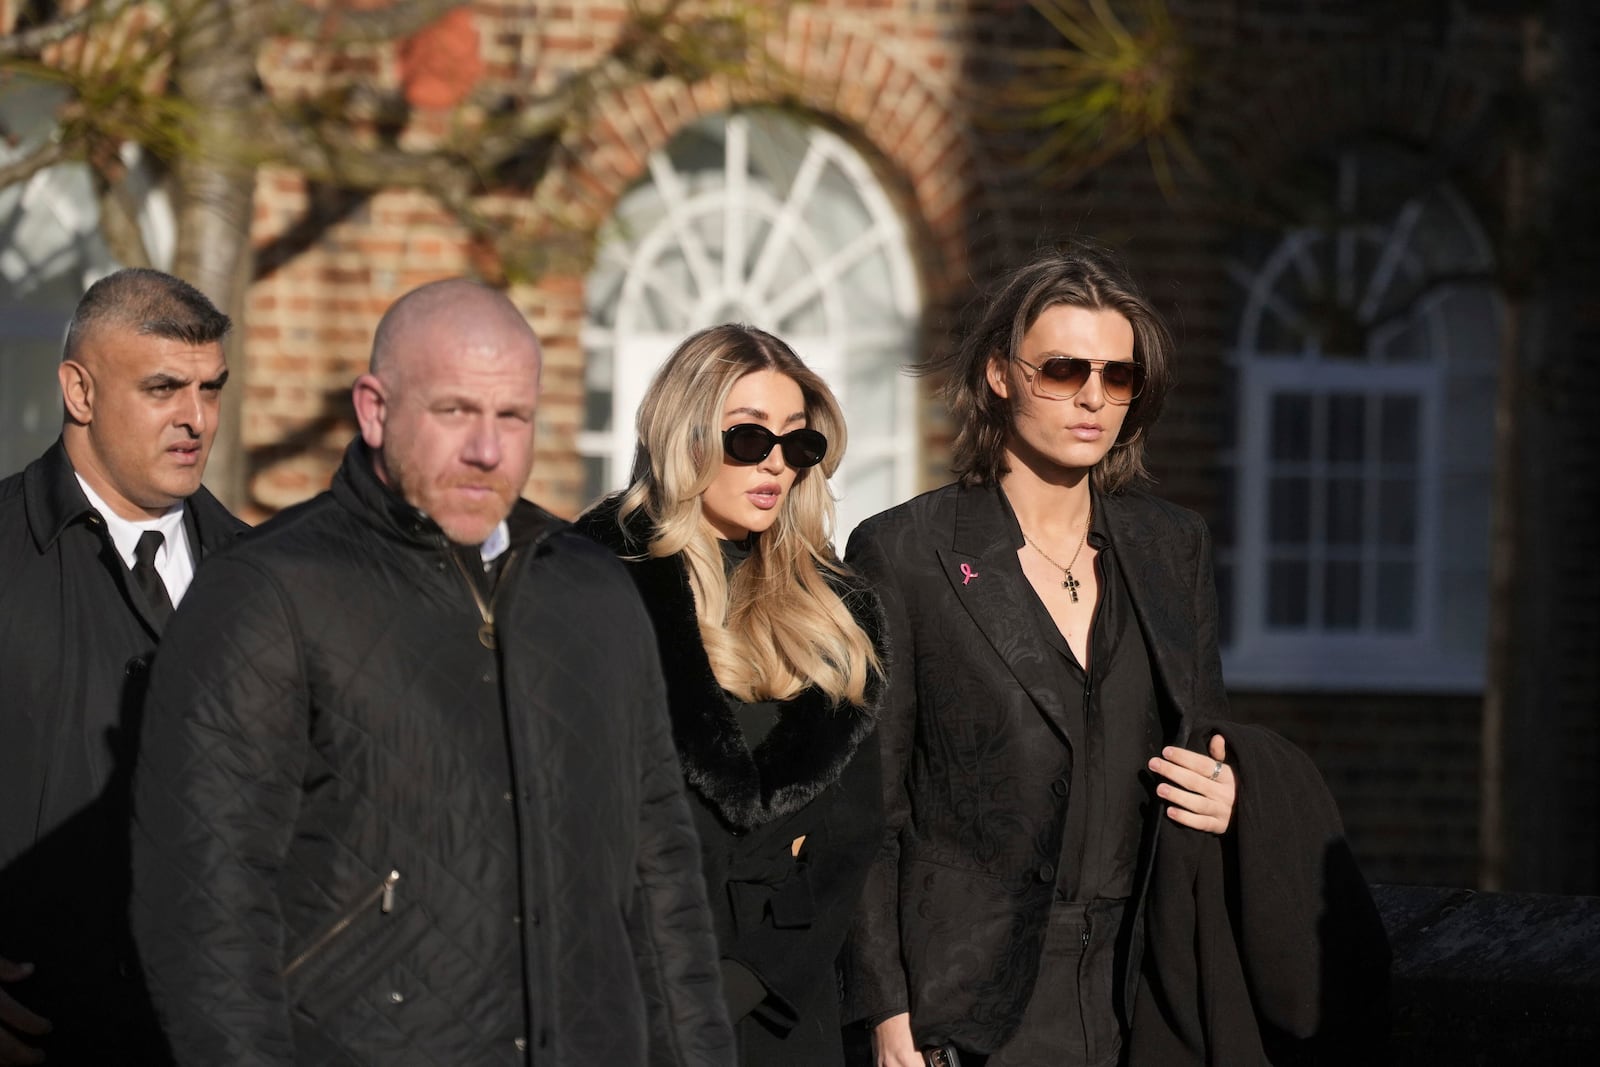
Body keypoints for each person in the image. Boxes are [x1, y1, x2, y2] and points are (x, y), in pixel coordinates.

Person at [129, 278, 734, 1066]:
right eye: (455, 411)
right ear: (375, 409)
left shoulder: (596, 594)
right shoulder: (266, 595)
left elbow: (663, 888)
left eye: (512, 416)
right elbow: (206, 911)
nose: (487, 448)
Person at [842, 245, 1389, 1066]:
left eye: (1118, 376)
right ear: (1000, 373)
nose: (1094, 397)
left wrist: (1236, 790)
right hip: (968, 1009)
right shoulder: (905, 551)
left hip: (1148, 993)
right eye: (1063, 370)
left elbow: (1204, 741)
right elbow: (869, 812)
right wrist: (889, 1019)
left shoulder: (1172, 547)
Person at [575, 324, 887, 1065]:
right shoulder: (590, 579)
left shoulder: (837, 609)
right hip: (630, 996)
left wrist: (746, 976)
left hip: (779, 1014)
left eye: (798, 444)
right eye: (748, 439)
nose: (776, 464)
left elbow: (851, 834)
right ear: (685, 436)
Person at [0, 268, 246, 1066]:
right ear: (79, 390)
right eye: (163, 388)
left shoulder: (265, 578)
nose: (196, 420)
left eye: (211, 388)